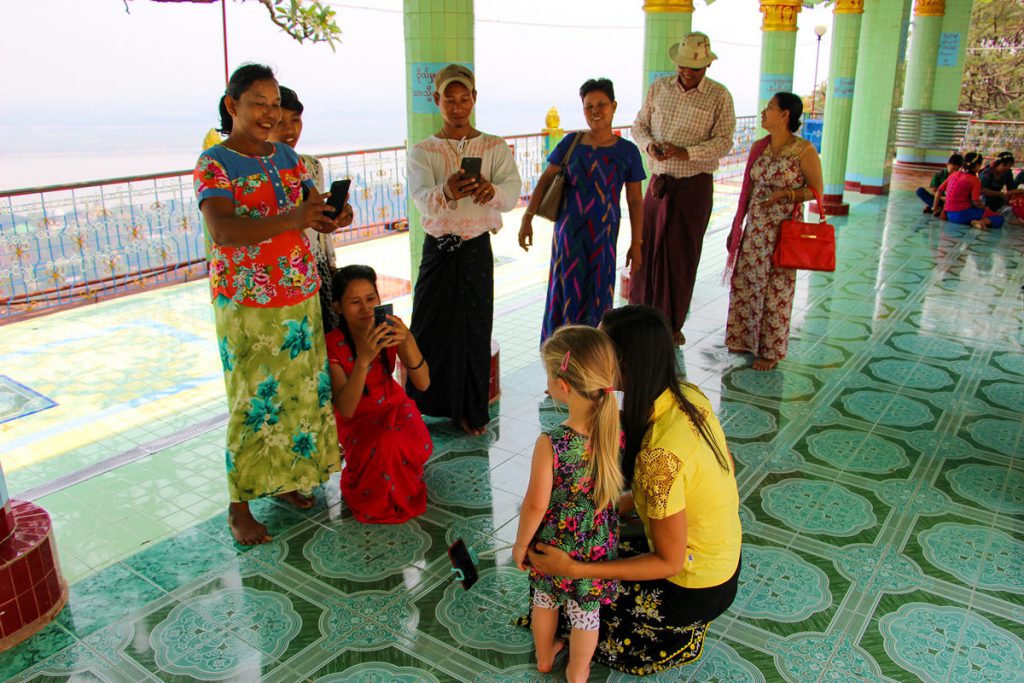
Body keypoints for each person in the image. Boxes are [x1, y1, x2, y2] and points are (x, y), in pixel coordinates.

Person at [528, 305, 742, 677]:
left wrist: (577, 569)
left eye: (599, 346)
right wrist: (624, 505)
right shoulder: (686, 396)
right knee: (573, 550)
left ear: (621, 363)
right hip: (721, 559)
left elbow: (669, 562)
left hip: (693, 586)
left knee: (566, 591)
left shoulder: (660, 456)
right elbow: (725, 466)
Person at [194, 64, 354, 545]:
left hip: (298, 294)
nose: (268, 113)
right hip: (248, 303)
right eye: (257, 103)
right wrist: (293, 217)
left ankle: (284, 481)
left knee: (299, 396)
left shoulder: (288, 156)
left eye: (274, 104)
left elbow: (311, 214)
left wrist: (332, 216)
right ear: (232, 106)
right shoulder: (214, 163)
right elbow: (223, 230)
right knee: (253, 401)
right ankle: (238, 504)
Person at [406, 64, 522, 435]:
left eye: (464, 98)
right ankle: (425, 405)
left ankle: (471, 412)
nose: (458, 107)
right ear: (436, 100)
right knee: (427, 327)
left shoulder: (494, 147)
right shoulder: (423, 152)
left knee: (474, 330)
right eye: (449, 100)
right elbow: (422, 201)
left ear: (474, 99)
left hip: (475, 250)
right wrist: (448, 192)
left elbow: (511, 193)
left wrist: (491, 192)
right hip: (439, 250)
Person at [513, 325, 623, 683]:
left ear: (562, 387)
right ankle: (578, 671)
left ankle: (545, 657)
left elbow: (534, 505)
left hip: (554, 542)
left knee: (544, 601)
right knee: (586, 614)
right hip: (596, 544)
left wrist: (520, 544)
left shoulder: (553, 442)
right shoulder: (613, 427)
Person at [518, 78, 645, 343]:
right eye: (589, 107)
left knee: (598, 295)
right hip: (568, 236)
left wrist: (637, 243)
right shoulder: (571, 142)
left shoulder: (628, 152)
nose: (595, 111)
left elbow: (635, 200)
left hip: (603, 238)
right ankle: (560, 363)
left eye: (601, 105)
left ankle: (589, 362)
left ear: (614, 106)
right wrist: (527, 218)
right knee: (564, 293)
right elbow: (545, 178)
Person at [629, 32, 736, 346]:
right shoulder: (659, 88)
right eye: (683, 66)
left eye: (695, 68)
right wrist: (650, 147)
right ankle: (640, 316)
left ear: (706, 66)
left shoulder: (719, 96)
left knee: (680, 257)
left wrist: (686, 152)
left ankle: (670, 324)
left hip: (693, 188)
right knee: (644, 251)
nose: (687, 72)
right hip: (658, 186)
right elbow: (639, 126)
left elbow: (724, 141)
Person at [325, 265, 432, 524]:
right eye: (354, 302)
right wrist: (363, 360)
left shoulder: (388, 330)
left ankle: (400, 485)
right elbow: (346, 409)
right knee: (386, 445)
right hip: (357, 419)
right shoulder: (332, 344)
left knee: (408, 438)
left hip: (393, 405)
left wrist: (407, 340)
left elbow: (423, 383)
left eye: (371, 299)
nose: (365, 309)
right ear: (338, 307)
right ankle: (372, 495)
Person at [724, 93, 823, 372]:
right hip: (755, 231)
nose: (763, 112)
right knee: (746, 283)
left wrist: (786, 194)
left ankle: (770, 350)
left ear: (785, 116)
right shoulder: (759, 147)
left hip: (782, 232)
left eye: (770, 108)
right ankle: (742, 339)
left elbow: (816, 191)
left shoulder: (804, 151)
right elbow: (747, 190)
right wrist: (736, 227)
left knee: (776, 290)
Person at [269, 85, 339, 331]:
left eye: (296, 120)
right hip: (277, 275)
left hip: (316, 268)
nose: (290, 130)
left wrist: (336, 219)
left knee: (326, 346)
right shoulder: (255, 173)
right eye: (280, 122)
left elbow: (320, 232)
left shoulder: (310, 166)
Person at [934, 152, 1005, 230]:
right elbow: (976, 202)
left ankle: (976, 220)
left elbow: (939, 191)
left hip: (949, 215)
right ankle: (980, 222)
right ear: (977, 165)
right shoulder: (974, 180)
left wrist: (935, 207)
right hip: (962, 215)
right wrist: (985, 208)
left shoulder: (953, 175)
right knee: (999, 218)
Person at [979, 151, 1023, 219]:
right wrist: (1001, 194)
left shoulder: (1007, 173)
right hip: (985, 202)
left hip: (999, 202)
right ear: (1000, 164)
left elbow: (1011, 188)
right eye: (1006, 165)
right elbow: (983, 190)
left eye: (1010, 166)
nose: (1008, 168)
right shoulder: (986, 173)